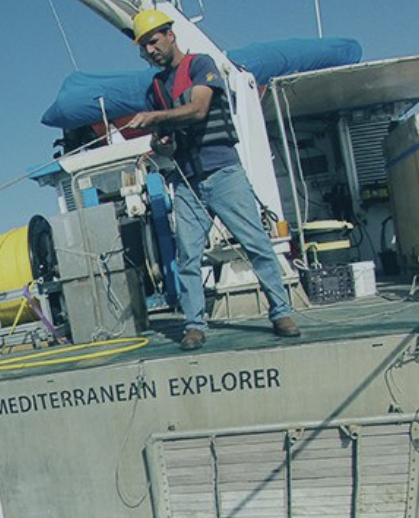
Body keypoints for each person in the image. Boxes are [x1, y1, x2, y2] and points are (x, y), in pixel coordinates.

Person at [127, 10, 300, 351]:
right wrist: (158, 141)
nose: (149, 51)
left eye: (153, 42)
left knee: (257, 244)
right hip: (187, 181)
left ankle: (281, 313)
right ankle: (194, 325)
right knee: (187, 256)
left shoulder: (199, 65)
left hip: (224, 173)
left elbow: (199, 109)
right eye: (143, 47)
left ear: (170, 35)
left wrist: (156, 118)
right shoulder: (155, 89)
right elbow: (162, 141)